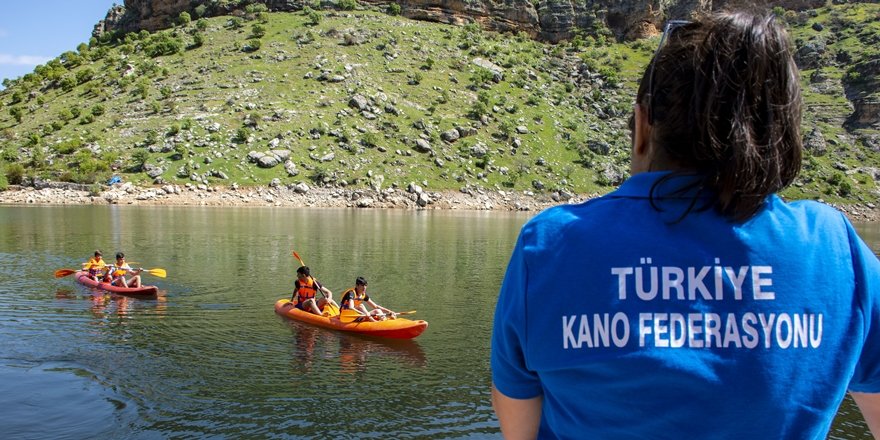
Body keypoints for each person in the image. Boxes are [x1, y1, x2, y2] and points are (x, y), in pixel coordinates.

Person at [491, 12, 880, 439]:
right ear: (779, 133)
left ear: (642, 128)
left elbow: (519, 430)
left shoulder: (548, 245)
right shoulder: (835, 247)